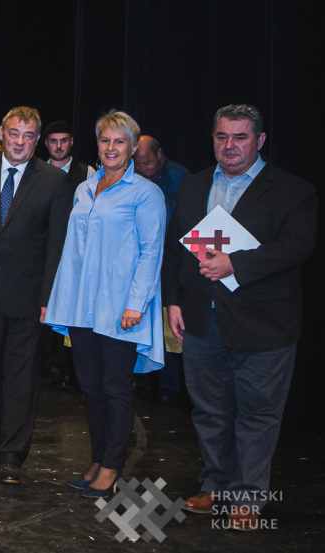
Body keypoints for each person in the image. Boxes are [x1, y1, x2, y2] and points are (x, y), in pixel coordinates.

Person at [165, 105, 316, 530]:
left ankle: (247, 497)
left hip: (264, 325)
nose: (229, 146)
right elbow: (177, 247)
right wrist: (174, 300)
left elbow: (297, 246)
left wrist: (237, 264)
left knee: (257, 415)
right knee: (209, 411)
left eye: (240, 137)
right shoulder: (194, 184)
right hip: (201, 319)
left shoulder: (292, 190)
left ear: (260, 140)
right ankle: (215, 486)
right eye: (221, 137)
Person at [44, 111, 167, 498]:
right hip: (82, 306)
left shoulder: (146, 194)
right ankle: (98, 458)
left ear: (132, 148)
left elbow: (151, 252)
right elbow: (72, 251)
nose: (111, 148)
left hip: (119, 308)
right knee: (91, 388)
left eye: (119, 141)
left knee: (115, 388)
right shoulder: (84, 188)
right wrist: (61, 301)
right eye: (105, 140)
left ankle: (112, 465)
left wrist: (136, 304)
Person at [0, 106, 73, 485]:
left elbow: (57, 244)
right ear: (1, 133)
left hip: (28, 299)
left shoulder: (54, 182)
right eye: (13, 133)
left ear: (37, 140)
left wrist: (49, 297)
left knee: (21, 380)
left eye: (28, 136)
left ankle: (12, 455)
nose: (20, 142)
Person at [134, 133, 191, 403]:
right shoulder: (131, 178)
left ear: (160, 155)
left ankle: (171, 389)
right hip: (143, 260)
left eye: (146, 161)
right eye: (137, 162)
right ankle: (144, 382)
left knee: (171, 329)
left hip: (172, 259)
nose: (142, 167)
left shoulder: (180, 179)